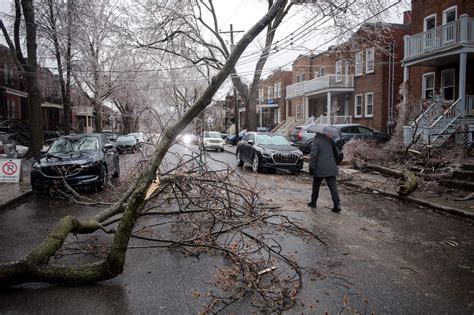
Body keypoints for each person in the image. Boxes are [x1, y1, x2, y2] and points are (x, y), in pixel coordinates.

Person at [307, 133, 341, 212]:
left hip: (320, 167)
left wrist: (311, 166)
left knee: (316, 185)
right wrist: (335, 163)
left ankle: (313, 202)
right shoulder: (330, 139)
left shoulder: (316, 140)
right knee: (333, 187)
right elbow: (336, 152)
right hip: (331, 166)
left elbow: (313, 155)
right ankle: (337, 205)